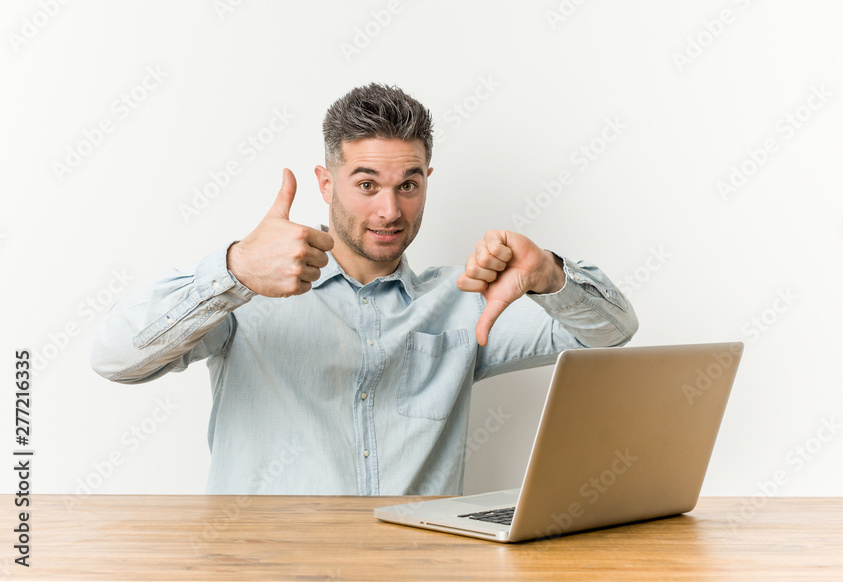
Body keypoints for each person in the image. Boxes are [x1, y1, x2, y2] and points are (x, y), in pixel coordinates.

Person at [91, 83, 639, 495]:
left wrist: (550, 274)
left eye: (408, 184)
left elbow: (611, 334)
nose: (389, 209)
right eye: (366, 184)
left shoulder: (467, 302)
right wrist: (232, 271)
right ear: (326, 183)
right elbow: (114, 358)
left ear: (427, 180)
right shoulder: (248, 294)